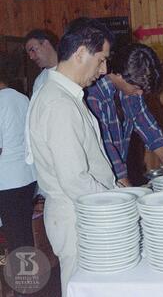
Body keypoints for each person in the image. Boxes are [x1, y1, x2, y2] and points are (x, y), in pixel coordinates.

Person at [28, 19, 116, 297]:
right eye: (101, 60)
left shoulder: (64, 96)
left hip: (82, 214)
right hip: (78, 218)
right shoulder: (58, 104)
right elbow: (75, 180)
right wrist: (121, 203)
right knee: (82, 288)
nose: (104, 70)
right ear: (80, 53)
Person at [86, 43, 163, 186]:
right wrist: (130, 194)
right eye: (136, 88)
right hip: (98, 182)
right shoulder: (93, 95)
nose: (140, 94)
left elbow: (148, 127)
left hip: (119, 172)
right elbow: (107, 151)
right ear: (119, 75)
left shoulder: (129, 91)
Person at [0, 52, 36, 254]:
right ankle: (31, 282)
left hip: (7, 182)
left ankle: (22, 284)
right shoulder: (22, 98)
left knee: (14, 241)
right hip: (27, 177)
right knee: (24, 236)